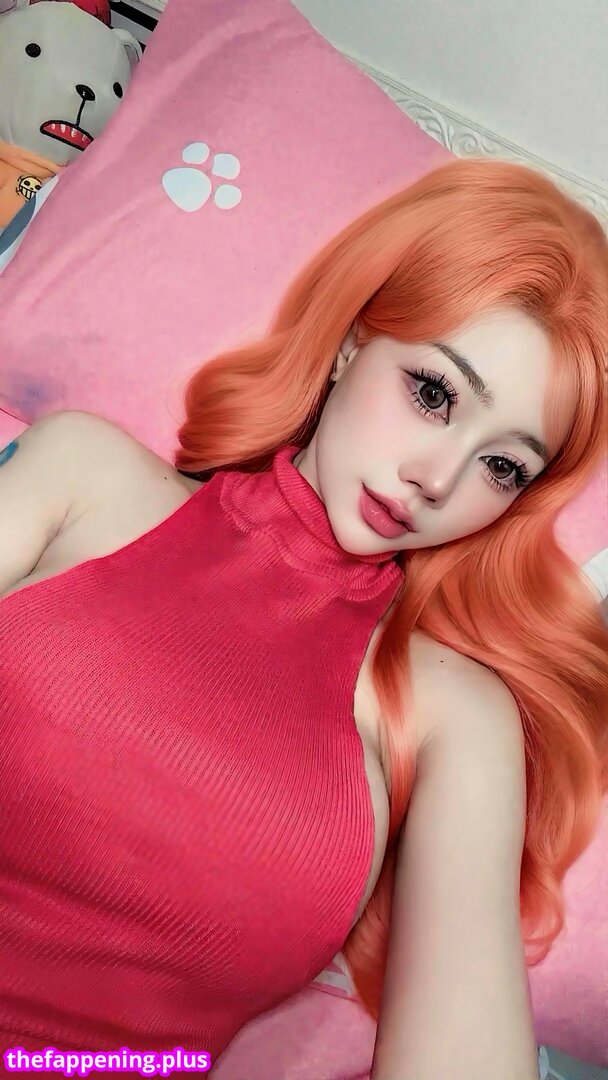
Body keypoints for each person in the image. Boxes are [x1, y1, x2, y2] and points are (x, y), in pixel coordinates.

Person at [0, 156, 606, 1080]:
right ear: (355, 341)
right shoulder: (84, 474)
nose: (437, 478)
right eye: (434, 393)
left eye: (502, 466)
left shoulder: (457, 716)